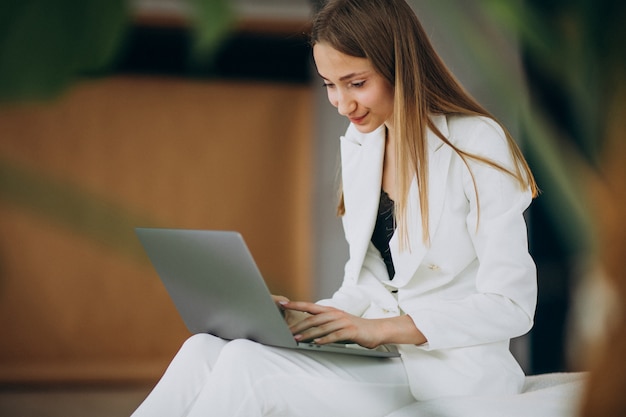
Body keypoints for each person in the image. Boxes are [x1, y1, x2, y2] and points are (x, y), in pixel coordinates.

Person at [131, 0, 539, 415]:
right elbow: (366, 285)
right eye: (329, 84)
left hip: (450, 368)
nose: (343, 104)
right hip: (384, 354)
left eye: (356, 83)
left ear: (400, 66)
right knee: (204, 347)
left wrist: (379, 330)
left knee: (244, 363)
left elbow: (512, 306)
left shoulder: (477, 143)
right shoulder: (364, 143)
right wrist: (303, 319)